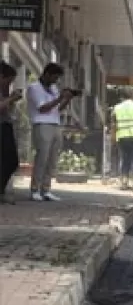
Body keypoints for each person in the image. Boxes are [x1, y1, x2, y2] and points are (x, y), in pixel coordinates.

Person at [26, 63, 78, 202]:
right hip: (41, 123)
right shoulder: (34, 87)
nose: (56, 81)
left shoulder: (54, 88)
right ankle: (35, 189)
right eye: (54, 77)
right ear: (47, 74)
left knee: (52, 159)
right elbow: (42, 108)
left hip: (55, 124)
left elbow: (57, 108)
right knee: (42, 157)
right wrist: (60, 98)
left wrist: (67, 99)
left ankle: (46, 189)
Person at [109, 87, 133, 192]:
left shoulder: (116, 108)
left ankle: (124, 183)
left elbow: (113, 125)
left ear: (122, 96)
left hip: (122, 136)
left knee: (125, 159)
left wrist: (113, 138)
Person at [0, 62, 22, 203]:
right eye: (8, 81)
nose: (9, 84)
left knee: (11, 160)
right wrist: (11, 99)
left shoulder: (4, 91)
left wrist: (12, 100)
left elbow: (7, 110)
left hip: (6, 125)